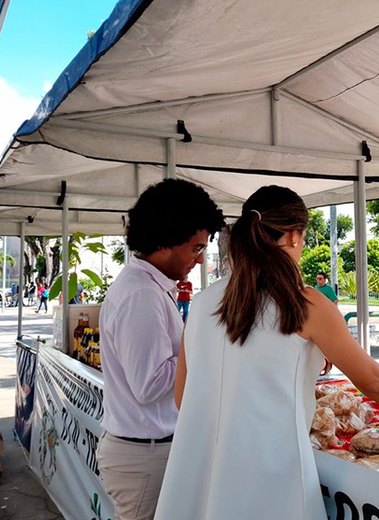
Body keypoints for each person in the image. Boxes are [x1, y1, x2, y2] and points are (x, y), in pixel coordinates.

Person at [155, 186, 379, 520]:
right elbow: (373, 380)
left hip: (200, 470)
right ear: (294, 237)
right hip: (271, 473)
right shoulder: (303, 302)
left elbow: (183, 397)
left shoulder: (203, 301)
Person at [97, 179, 225, 520]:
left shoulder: (151, 288)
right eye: (196, 249)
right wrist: (207, 347)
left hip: (153, 450)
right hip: (145, 457)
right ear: (166, 241)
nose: (199, 261)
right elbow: (148, 385)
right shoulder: (142, 295)